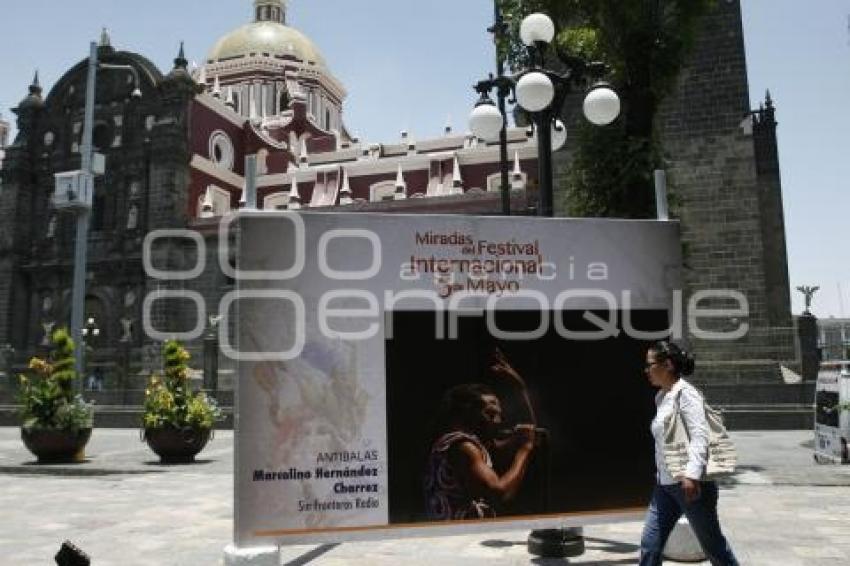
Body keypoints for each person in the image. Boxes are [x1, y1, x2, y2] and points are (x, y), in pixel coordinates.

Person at [639, 341, 739, 565]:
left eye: (650, 365)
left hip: (690, 486)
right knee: (650, 544)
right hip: (665, 486)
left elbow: (699, 435)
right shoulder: (662, 397)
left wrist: (691, 475)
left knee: (714, 548)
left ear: (668, 365)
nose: (646, 370)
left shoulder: (687, 394)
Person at [424, 349, 537, 520]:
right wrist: (524, 450)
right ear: (466, 412)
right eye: (490, 413)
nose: (498, 421)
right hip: (459, 538)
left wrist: (519, 386)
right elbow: (500, 494)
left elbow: (529, 432)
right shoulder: (463, 447)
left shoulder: (466, 442)